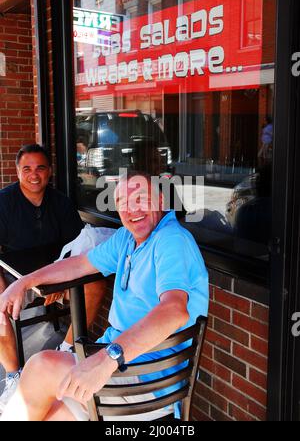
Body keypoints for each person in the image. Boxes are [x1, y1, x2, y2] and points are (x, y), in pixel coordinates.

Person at [0, 172, 209, 421]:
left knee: (41, 366)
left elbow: (175, 310)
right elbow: (80, 264)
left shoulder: (171, 240)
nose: (132, 210)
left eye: (141, 198)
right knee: (48, 414)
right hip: (120, 368)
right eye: (123, 202)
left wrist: (108, 358)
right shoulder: (126, 238)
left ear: (161, 201)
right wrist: (26, 281)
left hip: (150, 380)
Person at [0, 144, 107, 412]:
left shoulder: (60, 202)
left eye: (40, 168)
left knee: (95, 285)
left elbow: (77, 246)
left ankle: (67, 349)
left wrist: (57, 279)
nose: (34, 174)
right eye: (27, 168)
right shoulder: (4, 202)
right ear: (17, 172)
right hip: (12, 275)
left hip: (53, 273)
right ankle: (14, 376)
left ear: (49, 172)